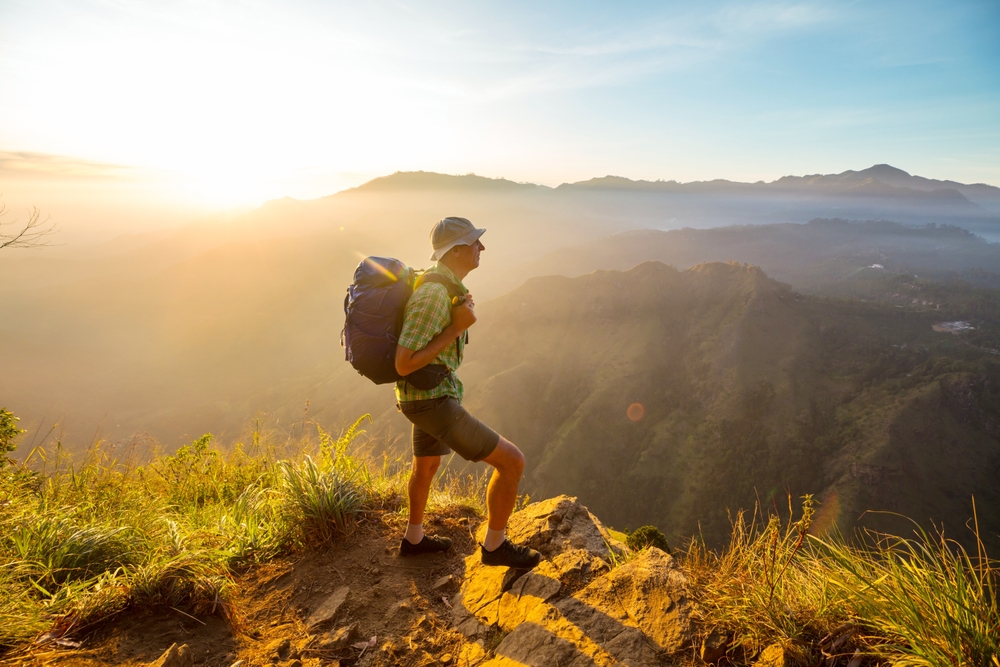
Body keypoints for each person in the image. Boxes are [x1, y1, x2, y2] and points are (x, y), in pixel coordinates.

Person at [394, 216, 541, 569]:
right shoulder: (432, 294)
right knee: (512, 462)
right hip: (431, 402)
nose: (482, 248)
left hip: (423, 397)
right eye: (475, 243)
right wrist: (456, 328)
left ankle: (414, 540)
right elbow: (403, 362)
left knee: (425, 468)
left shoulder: (446, 286)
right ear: (457, 250)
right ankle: (495, 547)